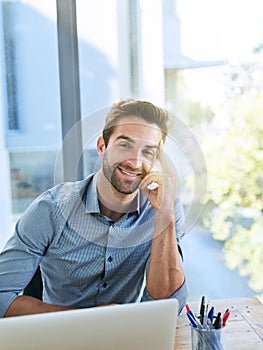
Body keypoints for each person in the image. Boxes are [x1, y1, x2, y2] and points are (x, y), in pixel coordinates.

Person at [0, 99, 187, 318]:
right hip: (60, 337)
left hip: (127, 337)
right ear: (102, 146)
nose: (135, 162)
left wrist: (165, 215)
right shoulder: (50, 210)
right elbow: (2, 296)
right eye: (125, 145)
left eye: (148, 152)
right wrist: (88, 320)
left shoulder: (164, 208)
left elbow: (168, 304)